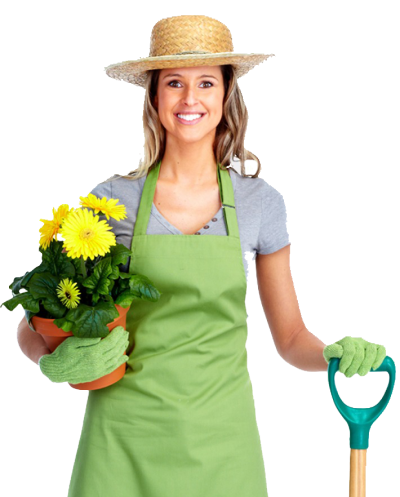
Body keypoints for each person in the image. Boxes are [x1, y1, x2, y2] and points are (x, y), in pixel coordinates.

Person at [16, 14, 387, 497]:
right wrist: (53, 359)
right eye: (174, 83)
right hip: (121, 444)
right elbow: (35, 325)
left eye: (206, 82)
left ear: (226, 93)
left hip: (223, 447)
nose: (190, 99)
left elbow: (291, 338)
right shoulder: (110, 203)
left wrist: (334, 356)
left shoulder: (261, 203)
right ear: (153, 95)